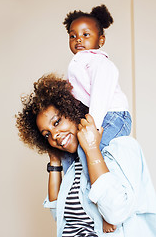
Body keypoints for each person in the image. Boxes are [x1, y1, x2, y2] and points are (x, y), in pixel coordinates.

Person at [15, 74, 156, 237]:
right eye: (47, 134)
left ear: (72, 110)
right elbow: (60, 217)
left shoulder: (122, 147)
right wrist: (54, 162)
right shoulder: (74, 166)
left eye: (56, 122)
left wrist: (92, 149)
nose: (54, 136)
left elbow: (116, 213)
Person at [63, 5, 131, 232]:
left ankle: (108, 211)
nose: (78, 40)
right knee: (74, 156)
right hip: (97, 116)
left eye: (85, 35)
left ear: (100, 40)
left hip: (112, 116)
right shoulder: (79, 63)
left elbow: (101, 95)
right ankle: (76, 205)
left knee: (93, 154)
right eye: (72, 36)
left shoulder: (100, 63)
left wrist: (93, 125)